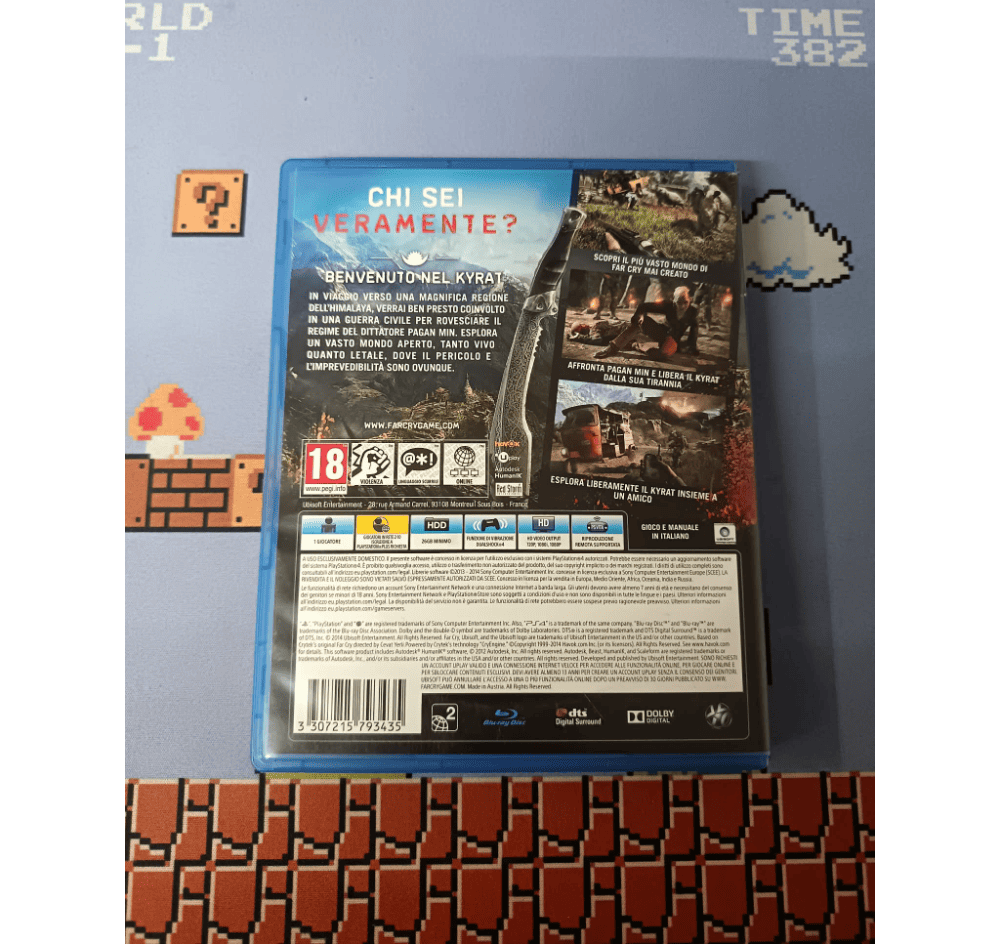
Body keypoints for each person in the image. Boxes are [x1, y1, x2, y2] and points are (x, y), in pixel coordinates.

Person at [594, 285, 699, 359]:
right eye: (679, 302)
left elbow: (694, 329)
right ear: (674, 300)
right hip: (661, 332)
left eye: (685, 302)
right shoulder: (668, 305)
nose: (682, 306)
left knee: (660, 355)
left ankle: (636, 345)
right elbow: (644, 306)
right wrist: (639, 316)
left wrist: (692, 347)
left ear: (690, 300)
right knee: (640, 321)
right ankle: (612, 348)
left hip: (672, 341)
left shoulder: (693, 312)